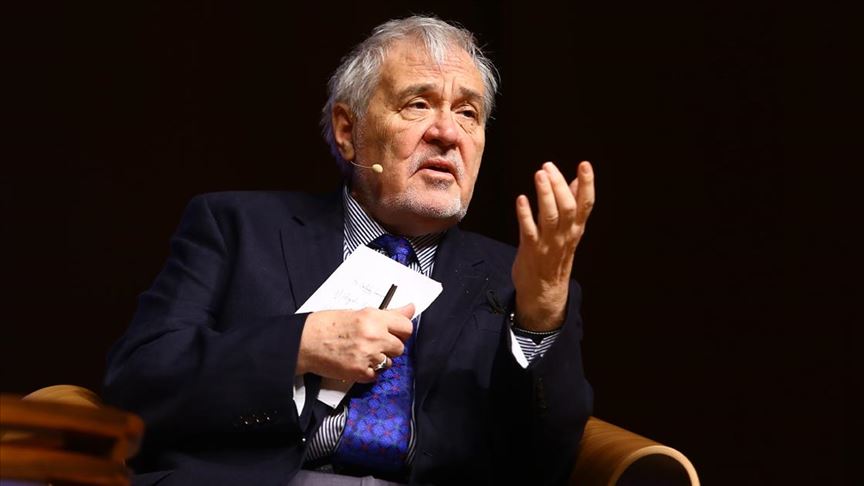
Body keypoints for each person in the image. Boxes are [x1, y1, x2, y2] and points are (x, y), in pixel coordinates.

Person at [103, 15, 595, 486]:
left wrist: (540, 317)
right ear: (348, 132)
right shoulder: (235, 227)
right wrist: (298, 346)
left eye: (468, 113)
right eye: (417, 105)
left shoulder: (522, 283)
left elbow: (546, 466)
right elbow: (138, 383)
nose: (447, 133)